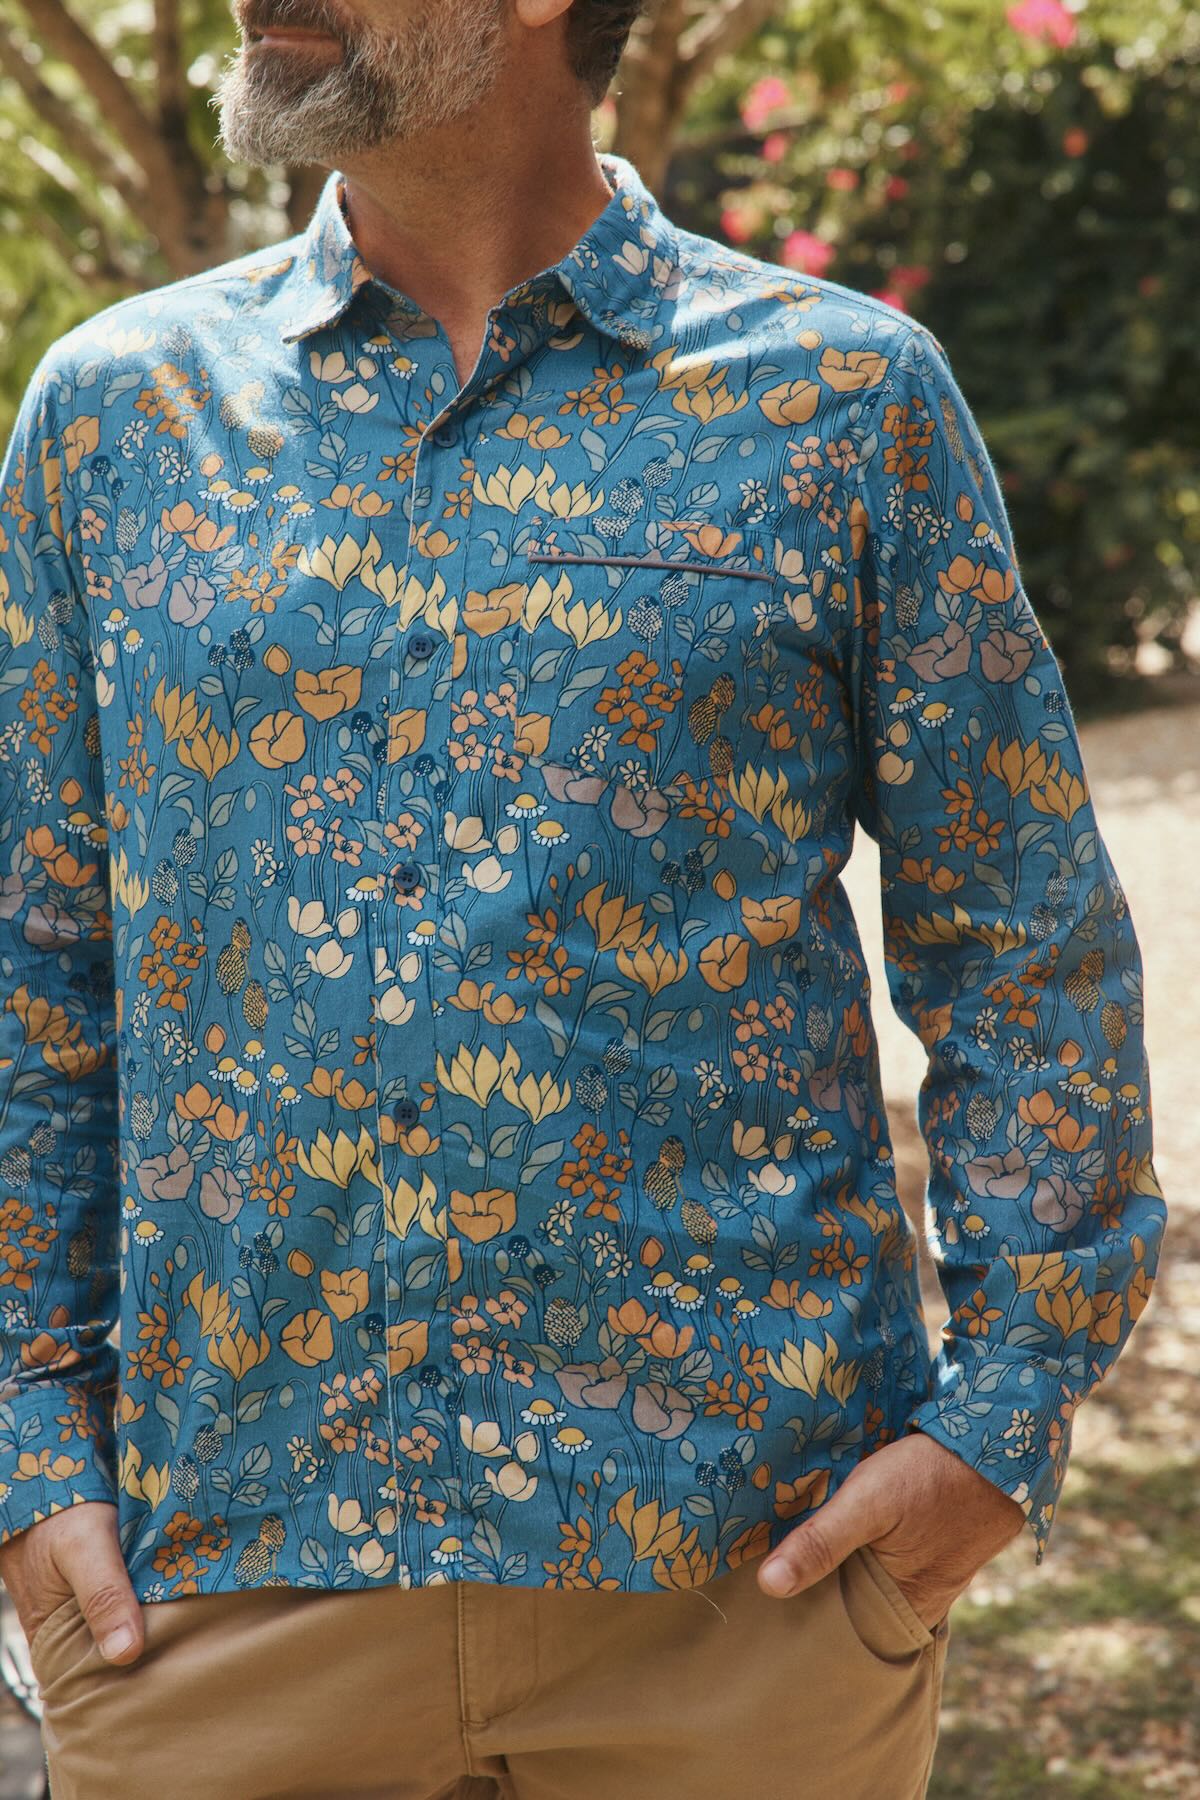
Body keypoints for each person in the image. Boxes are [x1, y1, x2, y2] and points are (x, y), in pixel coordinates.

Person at [0, 1, 1168, 1795]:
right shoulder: (113, 418)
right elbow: (34, 965)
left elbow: (1022, 933)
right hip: (218, 1585)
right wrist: (27, 1436)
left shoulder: (843, 401)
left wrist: (1002, 1422)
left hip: (747, 1586)